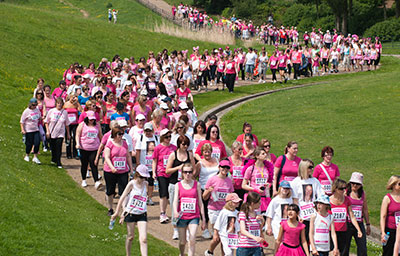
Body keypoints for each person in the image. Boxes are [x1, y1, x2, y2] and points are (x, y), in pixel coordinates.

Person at [111, 164, 149, 256]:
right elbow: (122, 197)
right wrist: (117, 212)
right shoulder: (132, 183)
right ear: (137, 175)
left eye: (144, 177)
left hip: (142, 214)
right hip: (131, 213)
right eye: (141, 177)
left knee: (143, 238)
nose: (142, 179)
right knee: (130, 237)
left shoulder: (146, 184)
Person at [166, 135, 196, 240]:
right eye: (183, 144)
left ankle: (186, 229)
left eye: (187, 144)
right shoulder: (173, 155)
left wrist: (190, 175)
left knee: (186, 206)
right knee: (174, 206)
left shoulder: (190, 155)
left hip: (186, 185)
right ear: (179, 144)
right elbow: (167, 170)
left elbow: (194, 169)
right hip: (175, 183)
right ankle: (175, 229)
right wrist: (178, 168)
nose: (185, 146)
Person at [173, 164, 206, 256]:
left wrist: (203, 219)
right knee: (182, 242)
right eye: (185, 172)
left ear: (193, 173)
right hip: (182, 216)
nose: (188, 174)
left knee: (192, 239)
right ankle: (182, 253)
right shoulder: (178, 185)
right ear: (182, 173)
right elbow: (175, 200)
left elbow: (200, 202)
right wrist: (175, 211)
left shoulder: (197, 185)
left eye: (190, 172)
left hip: (194, 217)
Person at [203, 160, 234, 255]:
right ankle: (210, 250)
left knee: (224, 235)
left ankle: (217, 253)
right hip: (214, 210)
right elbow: (204, 197)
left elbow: (231, 196)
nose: (225, 169)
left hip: (225, 211)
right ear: (219, 167)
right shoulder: (212, 179)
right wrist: (209, 191)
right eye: (223, 167)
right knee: (219, 236)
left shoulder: (229, 181)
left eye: (227, 168)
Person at [291, 159, 324, 242]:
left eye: (312, 167)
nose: (311, 169)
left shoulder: (315, 181)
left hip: (314, 215)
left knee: (313, 240)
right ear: (303, 168)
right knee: (301, 240)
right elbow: (295, 200)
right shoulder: (296, 182)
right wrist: (298, 215)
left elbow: (321, 196)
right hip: (302, 215)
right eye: (309, 167)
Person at [104, 126, 133, 216]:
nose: (121, 136)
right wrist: (112, 167)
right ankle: (110, 208)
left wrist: (131, 168)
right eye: (119, 134)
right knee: (110, 191)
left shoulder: (124, 143)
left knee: (123, 191)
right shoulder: (110, 143)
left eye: (122, 134)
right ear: (114, 134)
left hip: (123, 171)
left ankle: (124, 209)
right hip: (110, 171)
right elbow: (107, 157)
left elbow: (128, 156)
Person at [330, 179, 363, 255]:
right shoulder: (328, 201)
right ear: (335, 189)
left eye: (345, 188)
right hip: (331, 232)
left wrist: (359, 230)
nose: (344, 190)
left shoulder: (347, 200)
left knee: (344, 253)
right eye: (341, 189)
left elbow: (352, 216)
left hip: (343, 231)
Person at [194, 143, 219, 239]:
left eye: (208, 151)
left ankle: (214, 229)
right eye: (205, 152)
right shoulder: (200, 164)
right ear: (202, 153)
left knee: (214, 209)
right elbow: (194, 176)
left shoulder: (216, 160)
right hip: (204, 188)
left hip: (216, 189)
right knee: (204, 209)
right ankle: (205, 229)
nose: (207, 154)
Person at [152, 129, 176, 223]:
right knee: (163, 194)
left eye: (170, 137)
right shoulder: (158, 148)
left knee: (172, 194)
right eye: (166, 137)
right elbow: (155, 161)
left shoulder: (174, 148)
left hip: (172, 173)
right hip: (161, 173)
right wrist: (154, 173)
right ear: (162, 138)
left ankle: (174, 213)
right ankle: (162, 213)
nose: (168, 139)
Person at [75, 110, 103, 189]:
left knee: (94, 163)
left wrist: (103, 145)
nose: (92, 121)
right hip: (84, 147)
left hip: (94, 147)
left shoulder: (97, 125)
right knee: (84, 164)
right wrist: (77, 143)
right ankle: (84, 179)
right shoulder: (82, 125)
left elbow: (100, 135)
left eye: (93, 119)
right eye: (90, 119)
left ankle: (96, 181)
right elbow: (77, 135)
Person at [242, 147, 273, 214]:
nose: (265, 155)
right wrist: (255, 189)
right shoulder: (251, 168)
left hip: (264, 198)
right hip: (253, 198)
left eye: (265, 153)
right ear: (257, 156)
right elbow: (243, 185)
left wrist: (268, 185)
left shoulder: (267, 168)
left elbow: (270, 182)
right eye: (263, 154)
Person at [346, 172, 370, 255]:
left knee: (362, 248)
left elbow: (365, 209)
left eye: (357, 184)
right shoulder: (346, 192)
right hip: (348, 223)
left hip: (359, 223)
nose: (355, 186)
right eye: (353, 183)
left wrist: (368, 224)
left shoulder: (363, 194)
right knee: (345, 248)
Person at [135, 122, 159, 205]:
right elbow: (138, 151)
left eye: (149, 130)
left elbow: (158, 150)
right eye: (146, 131)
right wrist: (138, 163)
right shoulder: (141, 138)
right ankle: (142, 197)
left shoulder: (156, 138)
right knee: (142, 182)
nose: (148, 132)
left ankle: (149, 197)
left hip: (152, 165)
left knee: (151, 182)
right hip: (143, 165)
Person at [236, 192, 265, 256]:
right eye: (259, 203)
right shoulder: (243, 214)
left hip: (256, 246)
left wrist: (262, 221)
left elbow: (259, 229)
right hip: (245, 246)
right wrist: (255, 238)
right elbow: (243, 230)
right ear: (252, 203)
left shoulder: (257, 213)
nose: (260, 204)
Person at [45, 98, 70, 168]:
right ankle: (54, 158)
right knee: (53, 147)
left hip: (61, 132)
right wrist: (47, 131)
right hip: (52, 131)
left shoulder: (65, 112)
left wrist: (68, 134)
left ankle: (59, 162)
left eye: (61, 103)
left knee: (59, 147)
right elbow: (46, 122)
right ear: (56, 104)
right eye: (58, 103)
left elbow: (67, 124)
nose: (59, 105)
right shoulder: (51, 111)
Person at [380, 175, 400, 256]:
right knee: (388, 251)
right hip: (390, 229)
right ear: (393, 185)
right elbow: (383, 216)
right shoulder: (387, 198)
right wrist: (383, 232)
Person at [20, 98, 42, 164]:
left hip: (36, 129)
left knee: (37, 142)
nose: (34, 106)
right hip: (29, 130)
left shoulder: (37, 110)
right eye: (33, 105)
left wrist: (41, 118)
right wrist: (23, 129)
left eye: (35, 105)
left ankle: (35, 157)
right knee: (29, 144)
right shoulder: (26, 111)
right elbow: (22, 121)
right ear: (30, 104)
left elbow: (39, 117)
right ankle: (27, 155)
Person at [64, 93, 82, 159]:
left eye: (75, 97)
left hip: (75, 123)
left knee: (75, 137)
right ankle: (68, 153)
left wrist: (77, 103)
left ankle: (75, 153)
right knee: (68, 137)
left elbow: (81, 110)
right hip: (68, 124)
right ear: (69, 97)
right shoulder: (66, 104)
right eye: (72, 97)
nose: (73, 98)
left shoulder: (76, 104)